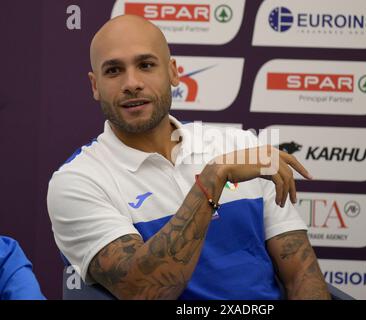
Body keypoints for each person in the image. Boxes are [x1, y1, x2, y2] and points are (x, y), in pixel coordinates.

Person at [47, 15, 330, 300]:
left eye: (146, 65)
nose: (131, 83)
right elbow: (144, 291)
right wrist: (213, 178)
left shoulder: (240, 144)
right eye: (113, 71)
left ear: (173, 72)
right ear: (95, 85)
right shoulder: (77, 182)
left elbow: (300, 276)